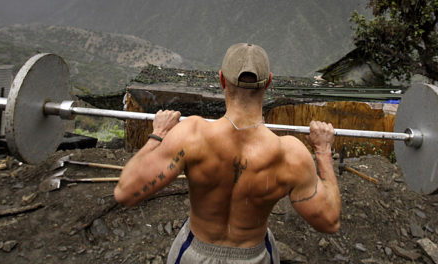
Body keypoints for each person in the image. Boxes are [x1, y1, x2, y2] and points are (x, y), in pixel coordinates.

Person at [114, 43, 341, 264]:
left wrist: (158, 134)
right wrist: (322, 151)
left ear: (222, 79)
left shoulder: (192, 135)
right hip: (254, 256)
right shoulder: (290, 154)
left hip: (194, 252)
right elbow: (329, 222)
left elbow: (126, 192)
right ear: (269, 82)